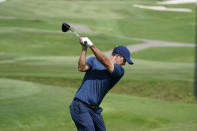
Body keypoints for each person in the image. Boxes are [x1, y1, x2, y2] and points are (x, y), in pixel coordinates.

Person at [69, 37, 134, 131]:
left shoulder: (119, 71)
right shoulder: (93, 61)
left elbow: (106, 62)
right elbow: (81, 68)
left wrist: (92, 45)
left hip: (94, 110)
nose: (124, 64)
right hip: (80, 106)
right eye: (124, 60)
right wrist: (84, 48)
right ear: (117, 56)